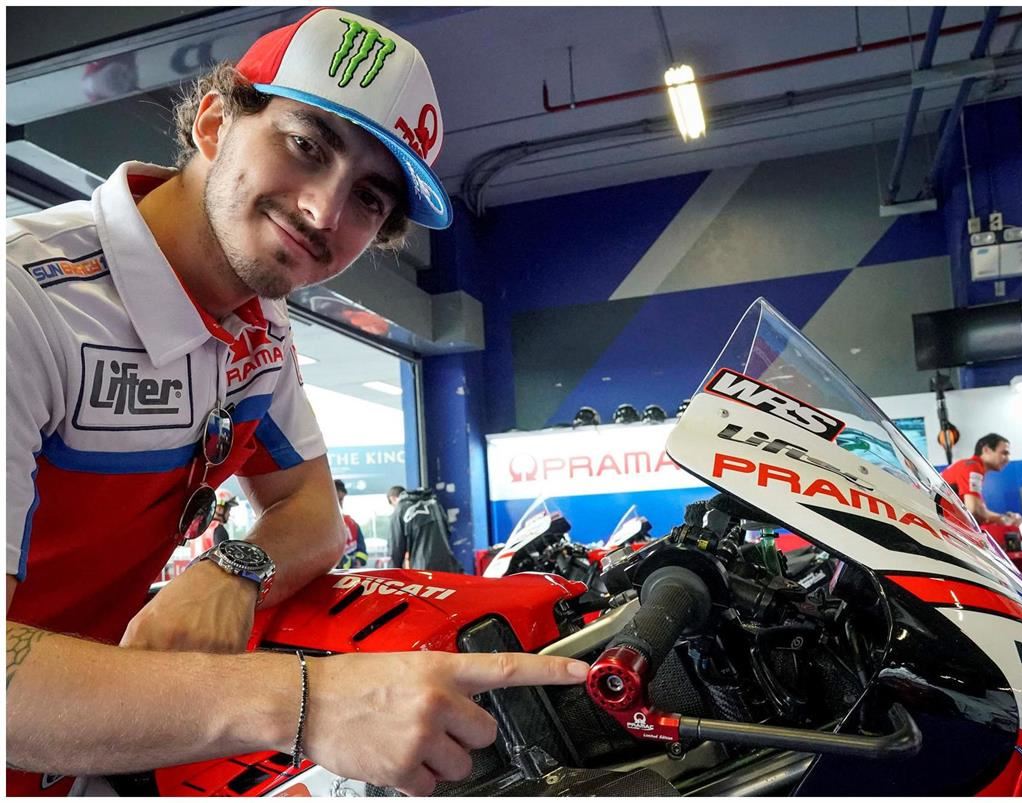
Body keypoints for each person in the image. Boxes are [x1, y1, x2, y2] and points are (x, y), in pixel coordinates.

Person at [6, 9, 587, 796]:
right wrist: (308, 702)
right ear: (214, 122)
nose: (323, 212)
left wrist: (232, 569)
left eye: (369, 197)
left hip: (82, 754)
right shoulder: (24, 303)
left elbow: (314, 514)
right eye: (307, 145)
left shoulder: (259, 326)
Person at [940, 433, 1022, 528]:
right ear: (986, 450)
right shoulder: (972, 467)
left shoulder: (969, 466)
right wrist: (1005, 519)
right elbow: (975, 511)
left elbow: (977, 511)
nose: (1008, 459)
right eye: (1004, 453)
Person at [392, 487, 464, 573]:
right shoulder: (434, 503)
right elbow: (447, 532)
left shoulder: (400, 509)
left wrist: (394, 574)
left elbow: (396, 547)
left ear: (393, 499)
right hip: (447, 566)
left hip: (422, 569)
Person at [334, 479, 368, 568]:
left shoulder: (352, 524)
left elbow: (362, 551)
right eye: (337, 500)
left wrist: (358, 561)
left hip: (351, 573)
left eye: (341, 500)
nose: (340, 504)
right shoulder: (321, 527)